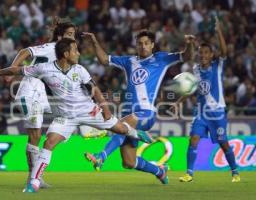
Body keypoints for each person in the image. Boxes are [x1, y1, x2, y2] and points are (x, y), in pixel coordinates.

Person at [0, 38, 153, 193]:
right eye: (75, 50)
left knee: (121, 129)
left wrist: (105, 108)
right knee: (48, 143)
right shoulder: (44, 69)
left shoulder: (80, 70)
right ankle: (34, 181)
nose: (78, 53)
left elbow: (94, 89)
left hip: (89, 111)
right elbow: (18, 70)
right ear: (65, 53)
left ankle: (137, 134)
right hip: (66, 117)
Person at [82, 30, 195, 183]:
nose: (143, 46)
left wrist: (190, 44)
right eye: (139, 44)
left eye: (146, 43)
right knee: (129, 162)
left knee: (121, 126)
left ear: (152, 45)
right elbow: (104, 59)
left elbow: (186, 56)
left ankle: (101, 157)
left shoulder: (161, 58)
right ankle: (159, 171)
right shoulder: (129, 61)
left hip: (146, 113)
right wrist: (94, 41)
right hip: (130, 114)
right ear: (136, 45)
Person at [9, 18, 104, 188]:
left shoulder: (67, 54)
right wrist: (11, 70)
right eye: (68, 34)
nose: (72, 38)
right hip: (29, 93)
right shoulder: (51, 48)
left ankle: (36, 176)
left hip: (42, 96)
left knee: (50, 130)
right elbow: (25, 51)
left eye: (73, 35)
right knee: (35, 136)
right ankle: (33, 178)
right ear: (59, 37)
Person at [177, 17, 240, 183]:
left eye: (206, 53)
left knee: (223, 143)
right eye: (201, 52)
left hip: (218, 113)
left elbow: (225, 52)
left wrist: (219, 31)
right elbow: (191, 89)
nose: (203, 55)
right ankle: (189, 173)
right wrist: (178, 102)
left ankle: (235, 171)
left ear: (211, 55)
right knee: (194, 140)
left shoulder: (217, 66)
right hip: (201, 113)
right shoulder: (196, 70)